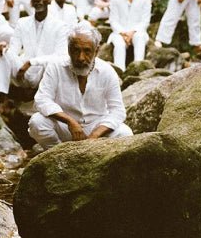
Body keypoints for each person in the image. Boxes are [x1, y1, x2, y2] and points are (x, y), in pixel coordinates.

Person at [28, 21, 133, 150]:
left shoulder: (107, 71)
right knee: (37, 122)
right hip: (67, 128)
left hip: (96, 127)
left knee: (125, 133)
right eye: (76, 50)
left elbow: (117, 111)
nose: (81, 58)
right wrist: (69, 121)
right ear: (68, 49)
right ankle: (59, 154)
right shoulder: (56, 67)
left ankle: (95, 154)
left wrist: (95, 135)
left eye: (87, 51)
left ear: (96, 51)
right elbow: (42, 100)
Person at [0, 0, 68, 99]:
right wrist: (4, 45)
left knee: (55, 63)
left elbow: (60, 55)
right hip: (23, 73)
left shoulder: (60, 26)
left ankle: (42, 95)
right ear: (32, 2)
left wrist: (31, 62)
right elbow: (14, 50)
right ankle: (3, 96)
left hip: (44, 73)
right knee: (2, 52)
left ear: (49, 1)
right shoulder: (22, 22)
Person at [107, 0, 151, 71]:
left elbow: (145, 20)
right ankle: (119, 72)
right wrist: (124, 33)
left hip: (137, 31)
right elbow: (113, 20)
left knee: (140, 38)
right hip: (120, 32)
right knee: (119, 44)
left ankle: (138, 69)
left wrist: (132, 32)